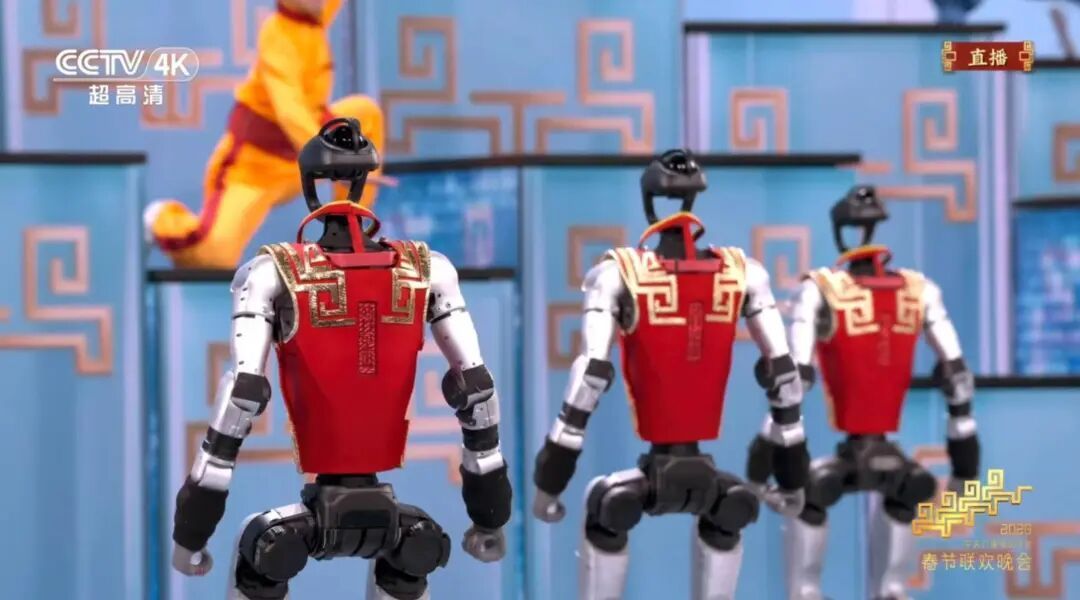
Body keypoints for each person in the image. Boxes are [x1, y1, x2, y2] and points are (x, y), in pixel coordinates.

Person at [170, 119, 511, 600]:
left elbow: (242, 395)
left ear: (309, 183)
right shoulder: (428, 269)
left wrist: (191, 536)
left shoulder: (271, 273)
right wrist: (489, 520)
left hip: (300, 528)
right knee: (416, 551)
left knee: (265, 548)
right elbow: (477, 391)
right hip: (401, 527)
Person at [531, 149, 810, 600]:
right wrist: (792, 477)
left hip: (648, 478)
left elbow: (590, 377)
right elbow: (785, 377)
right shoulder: (743, 274)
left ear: (650, 200)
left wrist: (550, 482)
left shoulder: (618, 274)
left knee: (608, 507)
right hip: (711, 478)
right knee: (730, 511)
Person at [747, 186, 980, 600]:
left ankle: (844, 590)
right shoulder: (917, 290)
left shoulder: (821, 290)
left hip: (864, 448)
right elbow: (958, 379)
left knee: (819, 499)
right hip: (871, 450)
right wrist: (964, 464)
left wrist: (764, 461)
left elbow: (792, 383)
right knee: (839, 495)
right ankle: (850, 589)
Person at [146, 0, 388, 269]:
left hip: (302, 162)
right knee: (215, 256)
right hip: (255, 170)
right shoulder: (277, 35)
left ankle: (346, 233)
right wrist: (333, 159)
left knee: (365, 114)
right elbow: (290, 110)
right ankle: (161, 218)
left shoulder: (315, 15)